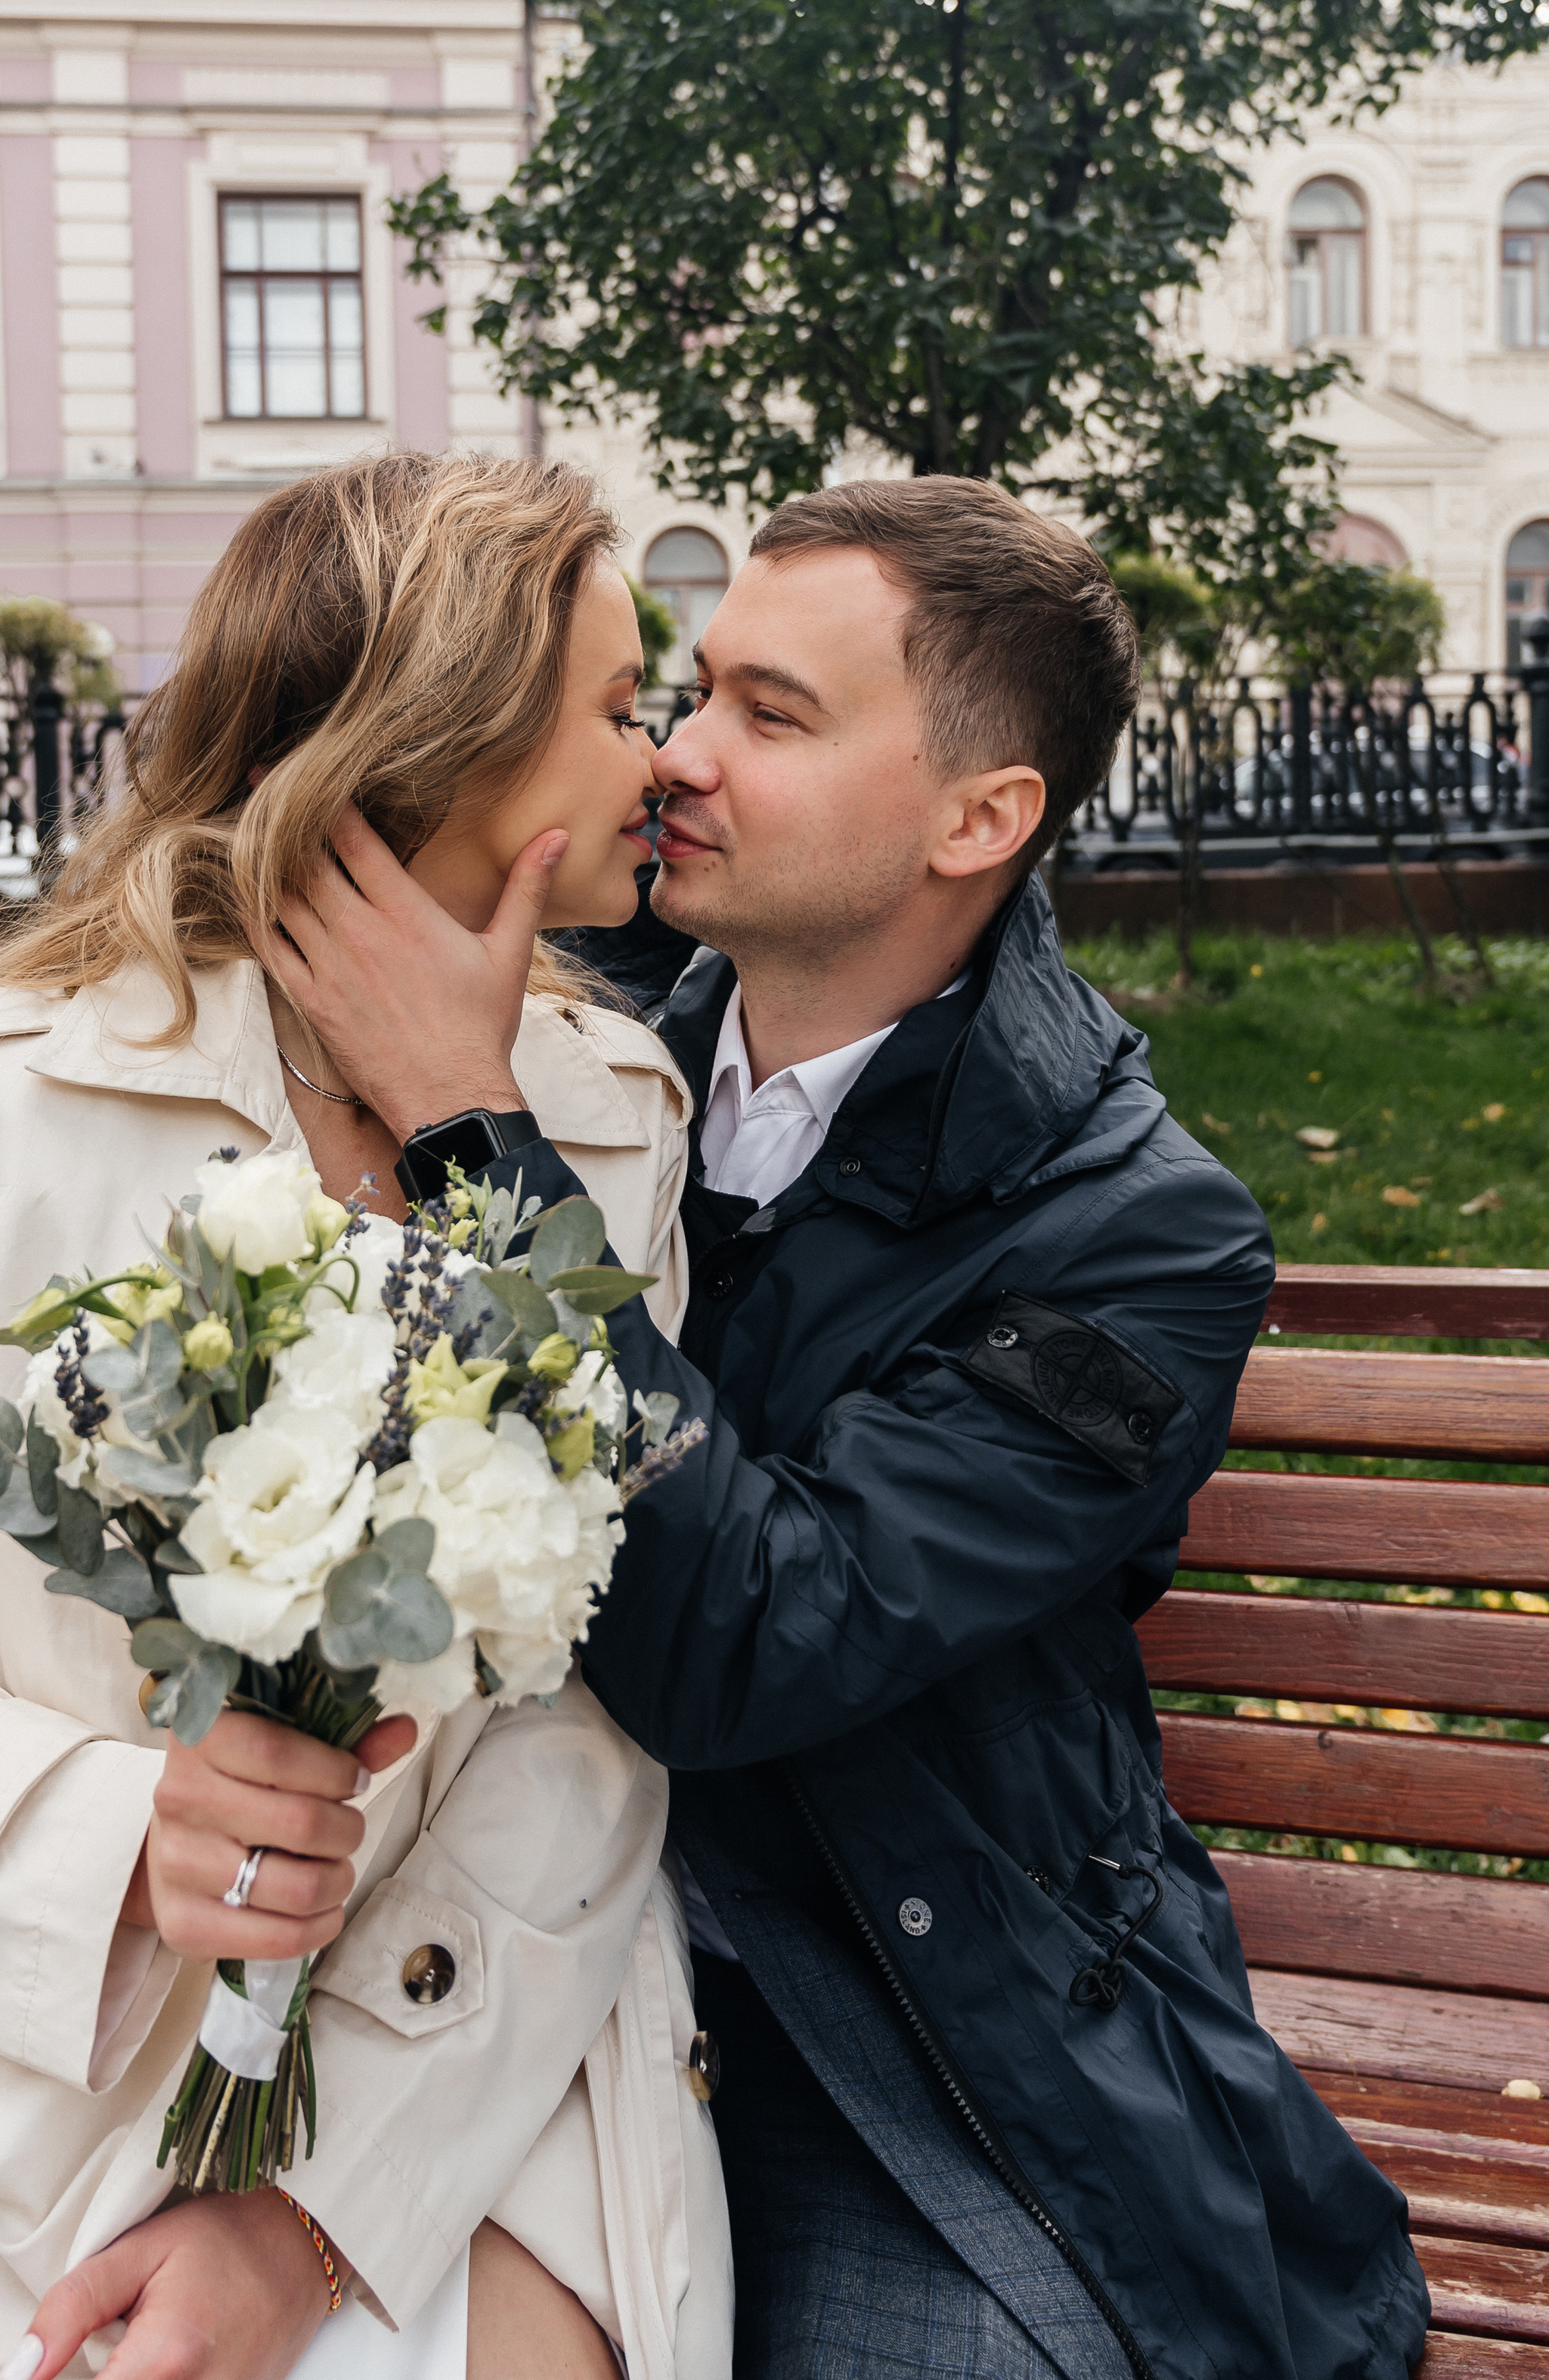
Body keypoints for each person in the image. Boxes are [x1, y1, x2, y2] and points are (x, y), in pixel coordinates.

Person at [243, 475, 1431, 2379]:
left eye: (769, 716)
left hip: (894, 2012)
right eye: (688, 688)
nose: (675, 756)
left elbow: (755, 1637)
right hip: (475, 1937)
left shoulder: (1138, 1237)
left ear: (980, 817)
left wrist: (479, 1152)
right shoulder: (562, 1026)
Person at [0, 456, 730, 2380]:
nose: (661, 759)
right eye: (621, 707)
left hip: (460, 2029)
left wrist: (309, 2218)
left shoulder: (608, 1125)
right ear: (439, 744)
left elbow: (584, 1722)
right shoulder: (2, 1105)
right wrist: (116, 1834)